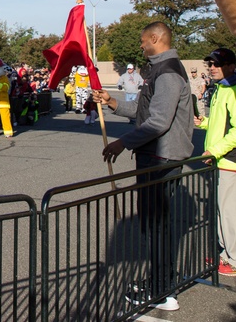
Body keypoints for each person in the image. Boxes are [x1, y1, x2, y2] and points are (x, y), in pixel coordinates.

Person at [94, 21, 194, 312]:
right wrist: (112, 101)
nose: (140, 45)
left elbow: (159, 121)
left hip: (161, 159)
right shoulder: (159, 70)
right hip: (155, 157)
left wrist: (124, 142)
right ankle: (160, 279)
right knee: (154, 224)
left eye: (142, 41)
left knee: (156, 226)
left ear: (155, 38)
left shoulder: (169, 72)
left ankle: (161, 289)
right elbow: (142, 108)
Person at [195, 47, 236, 277]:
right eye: (210, 64)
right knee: (223, 212)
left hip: (234, 162)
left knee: (232, 213)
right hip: (223, 161)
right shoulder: (222, 87)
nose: (212, 68)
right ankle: (227, 255)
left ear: (231, 66)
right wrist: (204, 122)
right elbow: (223, 123)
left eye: (217, 64)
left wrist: (215, 150)